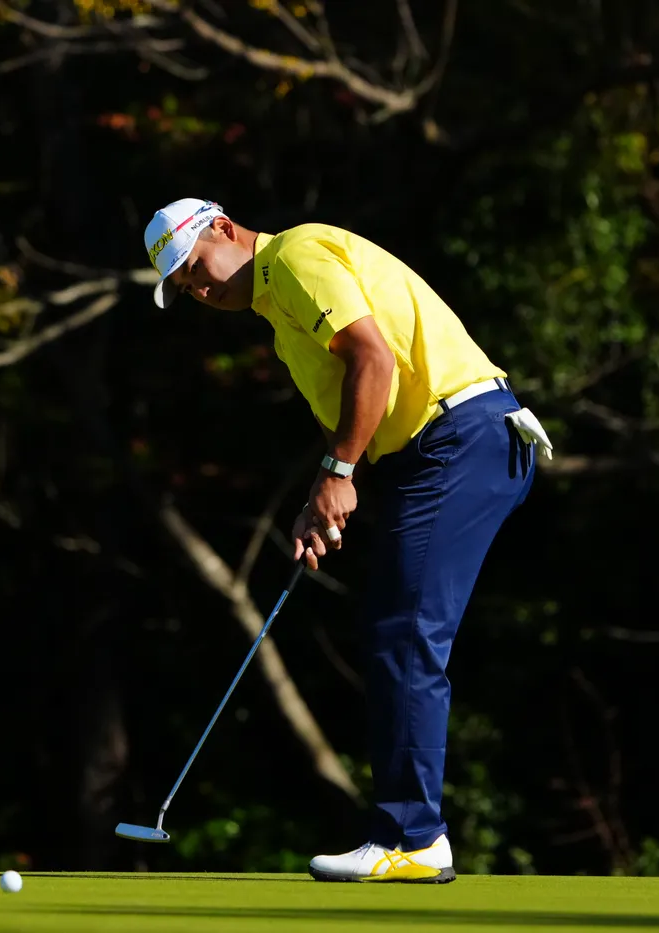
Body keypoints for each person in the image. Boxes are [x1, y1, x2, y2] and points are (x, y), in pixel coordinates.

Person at [142, 198, 553, 883]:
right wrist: (323, 493)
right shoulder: (279, 314)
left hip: (460, 437)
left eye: (195, 267)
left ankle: (413, 837)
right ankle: (411, 833)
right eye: (185, 288)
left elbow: (373, 358)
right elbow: (357, 418)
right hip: (443, 448)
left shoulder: (293, 256)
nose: (200, 290)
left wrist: (339, 473)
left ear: (223, 228)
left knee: (403, 632)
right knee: (396, 629)